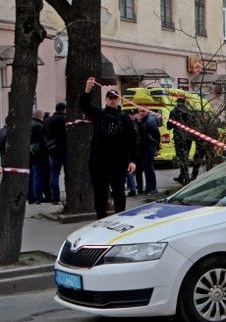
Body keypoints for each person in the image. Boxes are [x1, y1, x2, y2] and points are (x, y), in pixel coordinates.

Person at [79, 78, 137, 219]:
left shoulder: (124, 118)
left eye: (115, 98)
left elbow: (133, 140)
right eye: (110, 98)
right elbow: (84, 105)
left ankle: (120, 218)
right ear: (105, 100)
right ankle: (101, 219)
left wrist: (133, 160)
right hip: (99, 162)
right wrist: (87, 90)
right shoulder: (99, 115)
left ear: (118, 100)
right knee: (100, 192)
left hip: (118, 161)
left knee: (118, 192)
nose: (112, 100)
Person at [132, 107, 160, 195]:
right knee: (147, 167)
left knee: (149, 168)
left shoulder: (150, 120)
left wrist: (156, 145)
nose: (141, 113)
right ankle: (149, 188)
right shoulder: (143, 120)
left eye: (143, 111)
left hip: (150, 146)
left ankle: (152, 188)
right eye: (140, 111)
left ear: (147, 111)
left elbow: (156, 134)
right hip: (145, 146)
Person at [45, 102, 68, 204]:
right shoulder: (66, 119)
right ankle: (70, 196)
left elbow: (44, 134)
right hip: (66, 149)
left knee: (54, 175)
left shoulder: (48, 120)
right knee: (68, 174)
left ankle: (55, 198)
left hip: (52, 149)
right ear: (64, 109)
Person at [168, 98, 194, 184]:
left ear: (177, 103)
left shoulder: (174, 112)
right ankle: (182, 176)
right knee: (185, 156)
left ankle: (186, 179)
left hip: (179, 138)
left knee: (182, 158)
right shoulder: (190, 111)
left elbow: (169, 126)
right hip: (189, 138)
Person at [28, 109, 49, 204]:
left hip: (30, 154)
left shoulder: (29, 124)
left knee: (33, 176)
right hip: (38, 154)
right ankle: (38, 197)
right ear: (40, 116)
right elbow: (42, 142)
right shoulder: (38, 126)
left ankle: (32, 196)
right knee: (38, 176)